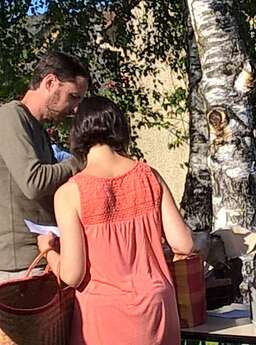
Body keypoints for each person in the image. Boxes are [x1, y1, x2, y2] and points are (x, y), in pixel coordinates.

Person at [37, 95, 194, 345]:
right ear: (120, 128)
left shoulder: (69, 193)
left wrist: (48, 252)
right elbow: (184, 244)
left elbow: (72, 275)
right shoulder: (149, 176)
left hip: (103, 314)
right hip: (157, 308)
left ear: (77, 134)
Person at [0, 52, 90, 279]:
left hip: (40, 256)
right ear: (49, 83)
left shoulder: (36, 128)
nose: (75, 108)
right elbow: (34, 182)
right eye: (73, 96)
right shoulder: (10, 116)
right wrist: (81, 161)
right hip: (20, 266)